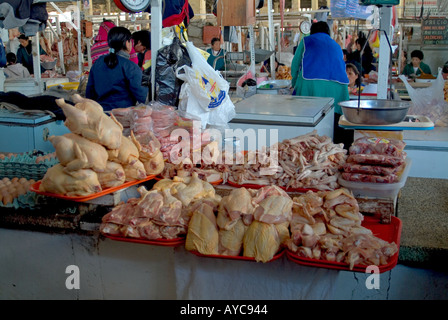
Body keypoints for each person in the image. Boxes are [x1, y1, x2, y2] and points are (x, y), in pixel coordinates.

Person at [291, 21, 352, 149]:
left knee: (309, 120)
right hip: (338, 87)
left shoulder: (307, 41)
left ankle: (309, 148)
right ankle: (335, 149)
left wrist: (294, 83)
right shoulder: (336, 45)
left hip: (311, 84)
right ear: (328, 32)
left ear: (312, 31)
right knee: (334, 119)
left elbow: (295, 64)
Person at [86, 26, 148, 112]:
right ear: (127, 43)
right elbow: (142, 96)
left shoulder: (98, 63)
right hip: (123, 117)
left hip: (101, 115)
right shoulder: (130, 67)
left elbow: (89, 93)